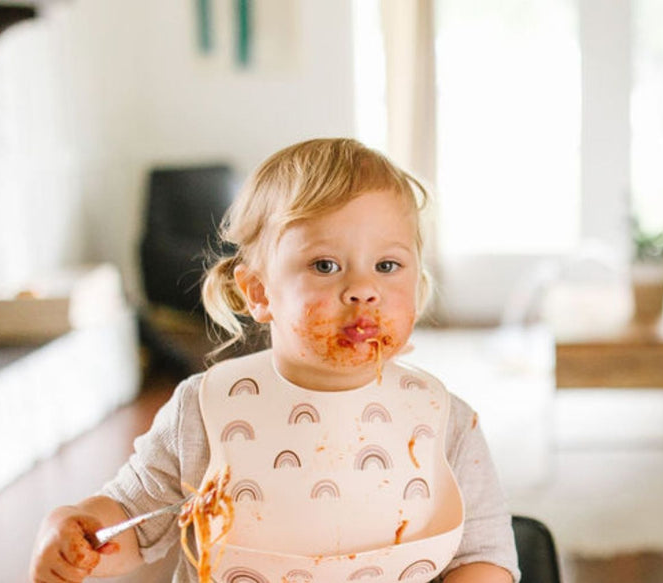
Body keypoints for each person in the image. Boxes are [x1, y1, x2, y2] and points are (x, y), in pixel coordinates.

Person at [30, 138, 519, 583]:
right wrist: (78, 532)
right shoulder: (205, 413)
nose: (364, 290)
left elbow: (484, 557)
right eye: (325, 265)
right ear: (260, 292)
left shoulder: (445, 422)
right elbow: (131, 519)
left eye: (387, 265)